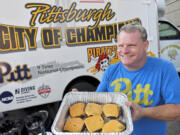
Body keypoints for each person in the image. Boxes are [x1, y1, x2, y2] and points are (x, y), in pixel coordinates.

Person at [96, 24, 180, 135]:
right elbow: (96, 103)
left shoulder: (164, 69)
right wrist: (78, 100)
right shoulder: (111, 70)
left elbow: (177, 110)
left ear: (145, 45)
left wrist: (143, 112)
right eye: (120, 46)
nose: (124, 51)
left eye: (131, 45)